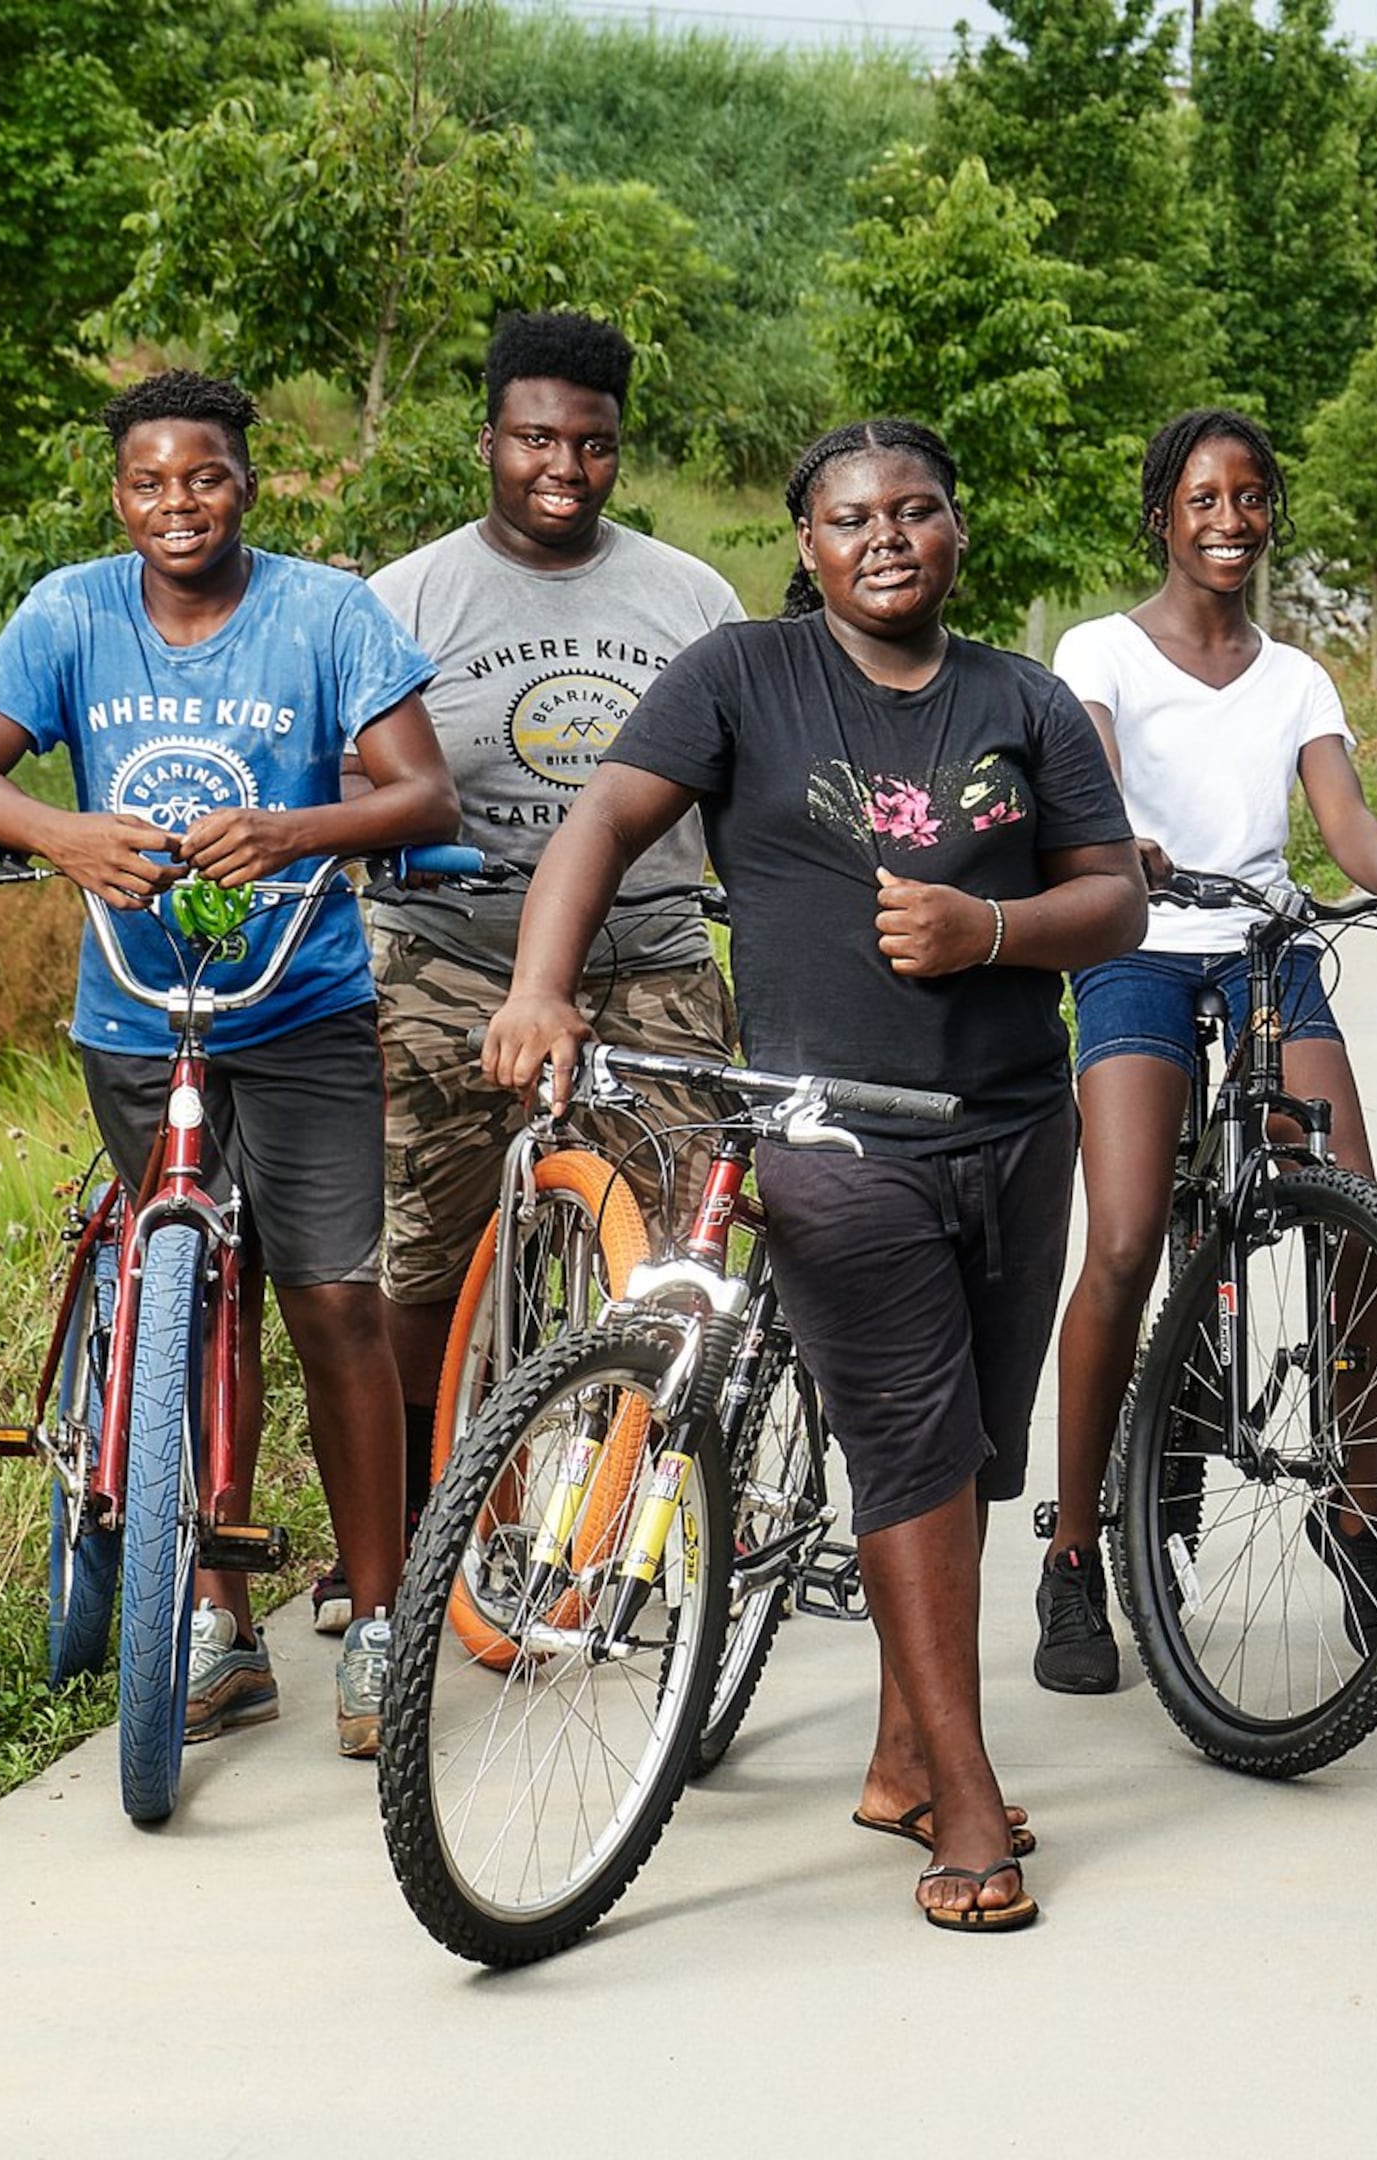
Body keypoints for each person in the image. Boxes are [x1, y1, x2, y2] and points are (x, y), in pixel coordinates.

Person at [486, 418, 1144, 1932]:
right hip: (827, 1136)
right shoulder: (741, 678)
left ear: (957, 530)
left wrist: (992, 935)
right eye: (852, 518)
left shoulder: (1024, 699)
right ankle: (965, 1802)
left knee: (978, 1447)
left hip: (1011, 1120)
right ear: (808, 544)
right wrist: (541, 984)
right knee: (912, 1443)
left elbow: (1109, 900)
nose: (887, 537)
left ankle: (905, 1750)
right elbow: (604, 819)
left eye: (917, 509)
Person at [0, 368, 458, 1759]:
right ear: (119, 493)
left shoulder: (324, 612)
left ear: (248, 483)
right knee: (199, 1295)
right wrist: (63, 834)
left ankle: (380, 1617)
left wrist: (294, 832)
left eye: (205, 476)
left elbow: (422, 793)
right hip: (134, 1019)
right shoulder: (72, 610)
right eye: (150, 481)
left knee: (333, 1303)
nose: (178, 504)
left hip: (305, 1011)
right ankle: (215, 1622)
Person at [354, 311, 747, 1638]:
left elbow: (741, 782)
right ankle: (428, 1516)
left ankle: (658, 1535)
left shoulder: (691, 597)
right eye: (535, 438)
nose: (564, 465)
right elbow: (352, 778)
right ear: (489, 441)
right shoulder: (403, 600)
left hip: (654, 962)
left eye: (593, 443)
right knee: (424, 1263)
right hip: (451, 968)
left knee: (682, 1266)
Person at [1034, 408, 1377, 1695]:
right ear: (1163, 513)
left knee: (1364, 1216)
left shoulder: (1298, 675)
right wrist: (1118, 846)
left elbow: (1347, 817)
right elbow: (1085, 780)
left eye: (1250, 498)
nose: (1228, 519)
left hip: (1263, 943)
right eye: (1203, 497)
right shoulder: (1098, 649)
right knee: (1124, 1234)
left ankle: (1354, 1502)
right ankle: (1080, 1552)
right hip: (1136, 942)